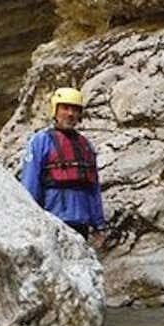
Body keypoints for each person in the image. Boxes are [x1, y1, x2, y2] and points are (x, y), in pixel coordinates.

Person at [21, 87, 106, 247]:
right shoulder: (40, 141)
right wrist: (30, 219)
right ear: (55, 110)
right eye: (65, 108)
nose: (70, 114)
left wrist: (98, 224)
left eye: (75, 109)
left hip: (81, 225)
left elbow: (93, 188)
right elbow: (30, 182)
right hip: (52, 221)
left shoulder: (86, 146)